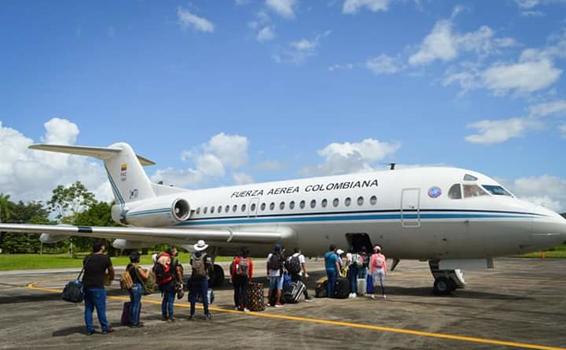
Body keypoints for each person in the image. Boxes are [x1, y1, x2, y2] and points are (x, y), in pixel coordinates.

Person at [82, 241, 114, 335]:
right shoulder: (105, 258)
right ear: (102, 247)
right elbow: (111, 270)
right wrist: (110, 278)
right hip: (98, 286)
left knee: (88, 308)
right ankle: (105, 327)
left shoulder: (87, 258)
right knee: (101, 308)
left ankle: (89, 328)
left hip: (87, 285)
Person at [189, 240, 213, 320]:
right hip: (203, 278)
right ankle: (206, 313)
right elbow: (209, 265)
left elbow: (191, 264)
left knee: (193, 296)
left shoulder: (193, 255)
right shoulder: (206, 256)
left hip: (194, 278)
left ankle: (192, 314)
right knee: (204, 296)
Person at [126, 252, 149, 328]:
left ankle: (131, 320)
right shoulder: (137, 268)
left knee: (133, 303)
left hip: (131, 286)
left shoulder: (129, 267)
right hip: (137, 286)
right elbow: (145, 276)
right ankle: (135, 322)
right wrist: (148, 271)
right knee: (136, 304)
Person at [154, 248, 176, 321]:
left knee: (165, 300)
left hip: (162, 283)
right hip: (169, 281)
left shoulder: (159, 258)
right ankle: (171, 316)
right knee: (170, 300)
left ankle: (164, 315)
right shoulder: (170, 259)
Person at [231, 247, 254, 311]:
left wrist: (232, 277)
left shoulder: (237, 260)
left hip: (236, 277)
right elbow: (250, 271)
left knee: (236, 291)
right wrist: (250, 279)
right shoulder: (249, 261)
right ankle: (245, 307)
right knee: (244, 292)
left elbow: (234, 270)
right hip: (244, 277)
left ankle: (237, 305)